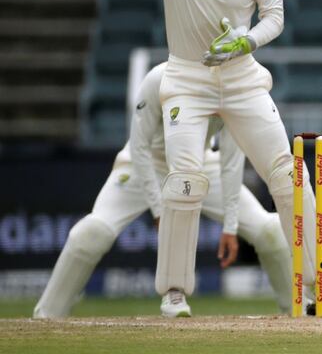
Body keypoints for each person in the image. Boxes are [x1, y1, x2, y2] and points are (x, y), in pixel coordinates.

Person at [108, 0, 322, 315]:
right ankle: (174, 291)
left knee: (287, 174)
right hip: (187, 79)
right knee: (186, 180)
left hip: (242, 77)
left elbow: (274, 16)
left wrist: (246, 41)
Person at [33, 63, 292, 318]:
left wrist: (231, 226)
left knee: (269, 230)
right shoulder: (159, 78)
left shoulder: (236, 86)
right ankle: (47, 316)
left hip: (201, 165)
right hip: (141, 166)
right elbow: (139, 146)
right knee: (91, 233)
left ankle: (296, 308)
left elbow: (231, 162)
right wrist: (159, 209)